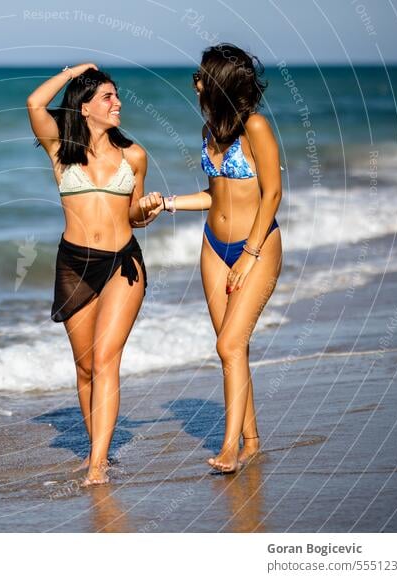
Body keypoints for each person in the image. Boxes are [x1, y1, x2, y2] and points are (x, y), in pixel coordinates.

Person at [142, 44, 283, 473]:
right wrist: (165, 203)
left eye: (202, 75)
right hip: (213, 247)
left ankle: (229, 449)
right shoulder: (209, 131)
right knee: (231, 350)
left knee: (227, 344)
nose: (196, 82)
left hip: (256, 247)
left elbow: (272, 194)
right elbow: (213, 195)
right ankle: (252, 440)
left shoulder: (255, 127)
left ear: (219, 81)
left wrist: (249, 255)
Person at [26, 63, 159, 486]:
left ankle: (99, 464)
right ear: (85, 108)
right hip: (75, 266)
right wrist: (71, 73)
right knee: (85, 368)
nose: (117, 103)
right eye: (107, 97)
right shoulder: (59, 149)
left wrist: (147, 209)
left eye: (117, 96)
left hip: (123, 262)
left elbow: (134, 216)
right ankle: (94, 449)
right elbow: (34, 102)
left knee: (106, 360)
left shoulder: (133, 155)